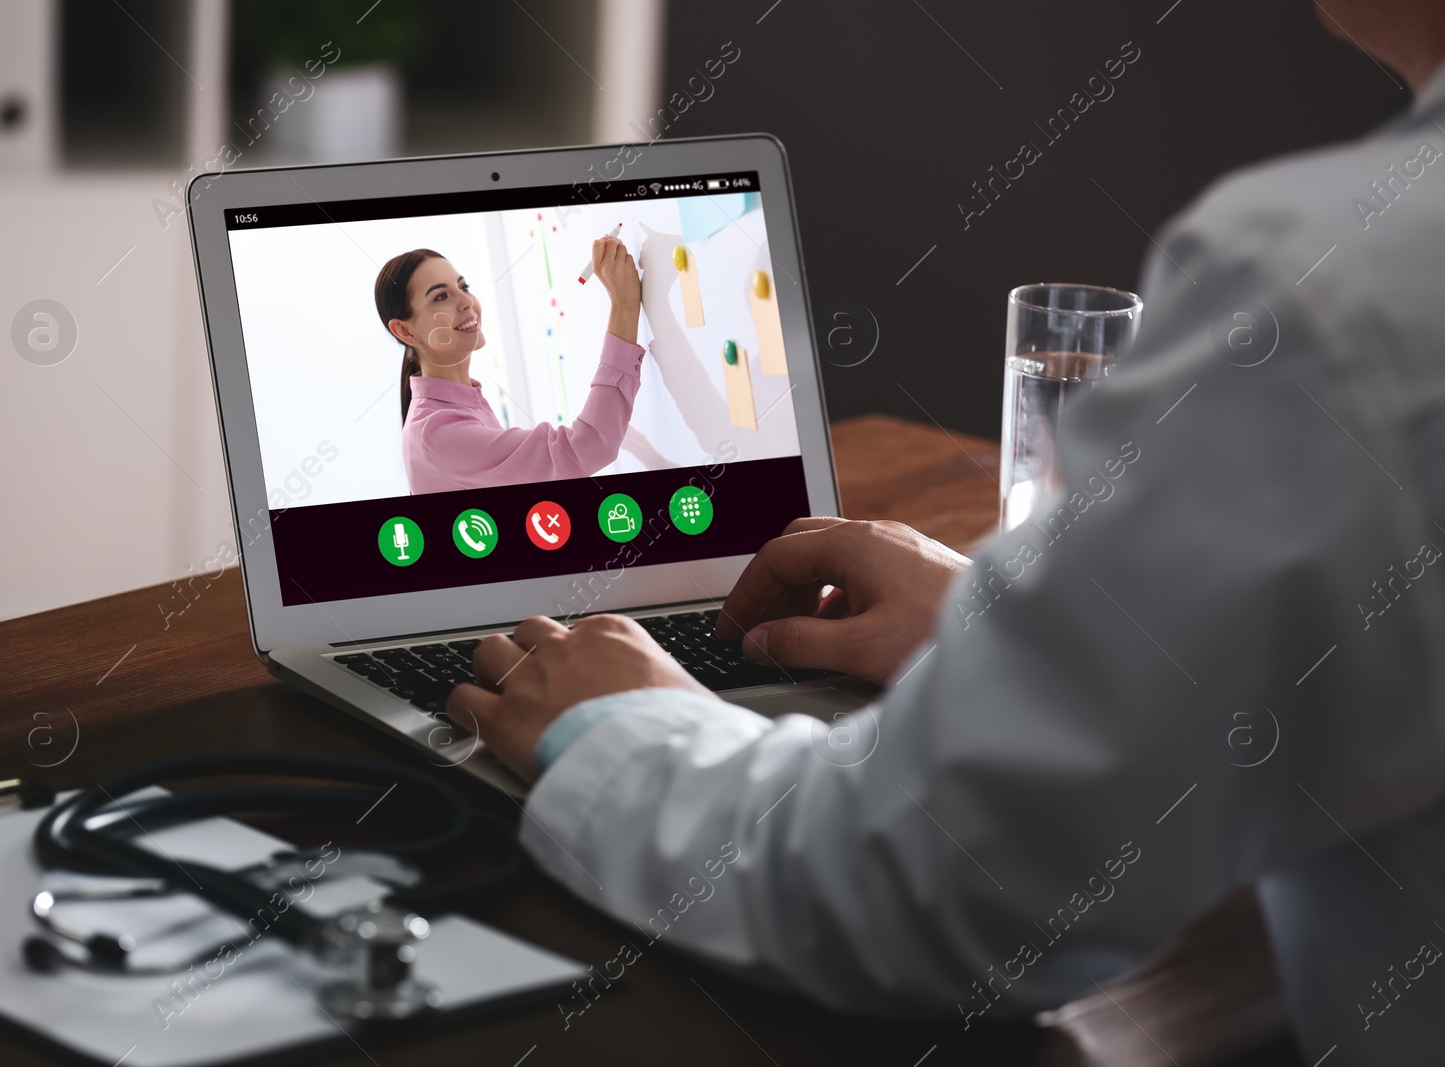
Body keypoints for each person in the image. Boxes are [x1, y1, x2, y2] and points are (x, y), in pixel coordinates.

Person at [446, 1, 1445, 1060]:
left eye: (466, 282)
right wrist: (1038, 639)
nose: (467, 303)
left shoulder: (1335, 295)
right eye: (444, 292)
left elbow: (931, 883)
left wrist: (613, 730)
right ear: (405, 334)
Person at [377, 238, 646, 493]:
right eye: (440, 297)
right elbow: (586, 448)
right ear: (405, 331)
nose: (466, 302)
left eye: (463, 287)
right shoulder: (437, 434)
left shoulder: (459, 406)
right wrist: (624, 306)